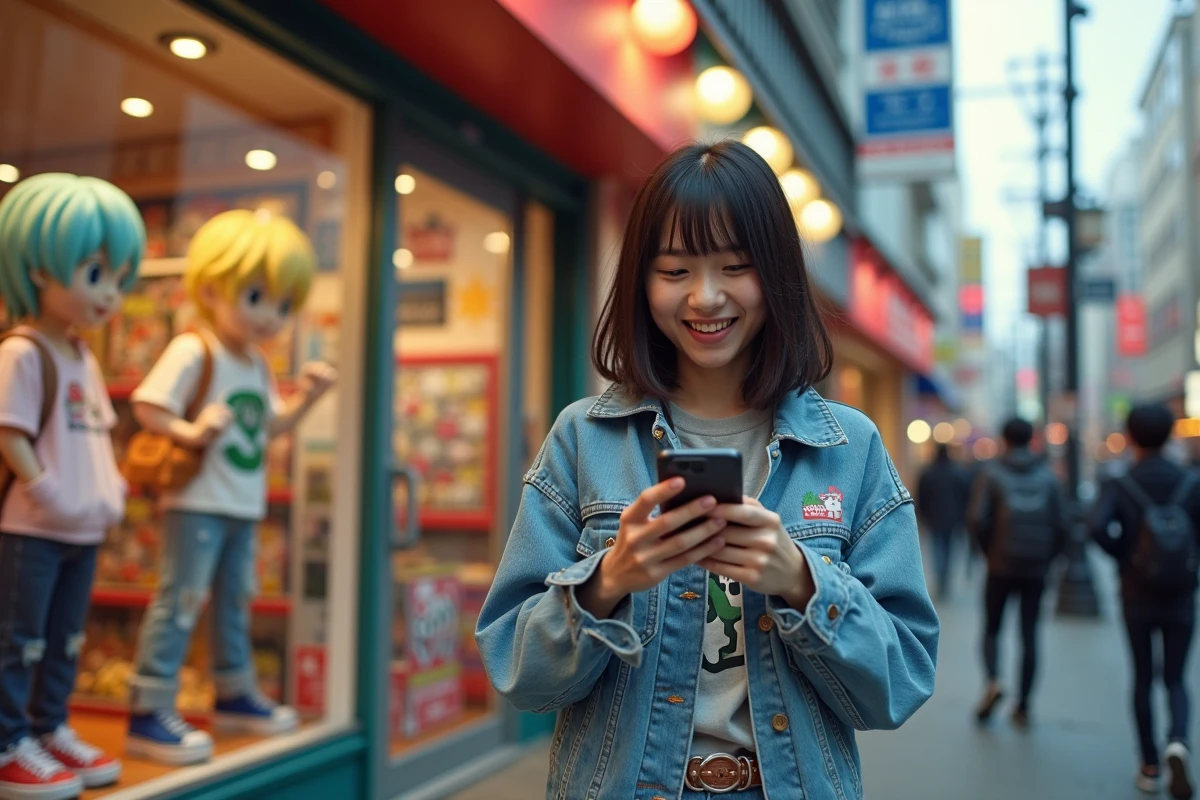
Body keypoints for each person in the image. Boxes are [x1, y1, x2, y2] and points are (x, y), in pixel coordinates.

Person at [475, 141, 939, 799]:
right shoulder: (584, 439)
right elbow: (520, 673)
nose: (706, 297)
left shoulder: (850, 448)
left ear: (775, 274)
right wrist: (607, 582)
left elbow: (900, 684)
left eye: (735, 266)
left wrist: (804, 583)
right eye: (674, 270)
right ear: (641, 279)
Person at [124, 210, 336, 765]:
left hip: (241, 501)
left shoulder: (257, 362)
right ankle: (149, 708)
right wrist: (192, 432)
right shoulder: (195, 348)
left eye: (284, 304)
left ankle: (235, 693)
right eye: (257, 296)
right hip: (197, 500)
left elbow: (272, 426)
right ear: (213, 287)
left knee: (236, 600)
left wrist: (308, 398)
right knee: (182, 597)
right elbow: (148, 404)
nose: (271, 315)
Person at [0, 173, 143, 800]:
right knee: (19, 639)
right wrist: (46, 488)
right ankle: (8, 740)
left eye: (117, 277)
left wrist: (110, 491)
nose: (109, 294)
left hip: (82, 528)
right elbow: (10, 432)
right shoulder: (23, 352)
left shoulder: (82, 355)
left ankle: (48, 725)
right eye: (94, 274)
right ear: (38, 268)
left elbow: (98, 433)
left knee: (66, 638)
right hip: (33, 528)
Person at [1091, 403, 1200, 798]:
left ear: (1131, 436)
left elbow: (1097, 527)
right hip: (1182, 593)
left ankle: (1150, 765)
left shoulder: (1120, 482)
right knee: (1175, 677)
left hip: (1136, 592)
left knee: (1141, 676)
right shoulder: (1191, 480)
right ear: (1171, 434)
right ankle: (1178, 740)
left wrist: (1126, 556)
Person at [967, 417, 1067, 728]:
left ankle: (994, 680)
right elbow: (1062, 524)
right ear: (1031, 440)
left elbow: (977, 519)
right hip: (1036, 568)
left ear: (1005, 439)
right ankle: (1023, 706)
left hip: (1000, 565)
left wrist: (989, 554)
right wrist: (1047, 559)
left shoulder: (992, 473)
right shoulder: (1048, 477)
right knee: (1029, 634)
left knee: (992, 628)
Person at [917, 443, 972, 600]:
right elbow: (966, 496)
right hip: (953, 518)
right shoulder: (958, 472)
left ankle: (941, 577)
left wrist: (921, 515)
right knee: (949, 549)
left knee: (937, 548)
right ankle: (945, 577)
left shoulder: (928, 473)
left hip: (933, 517)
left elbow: (921, 496)